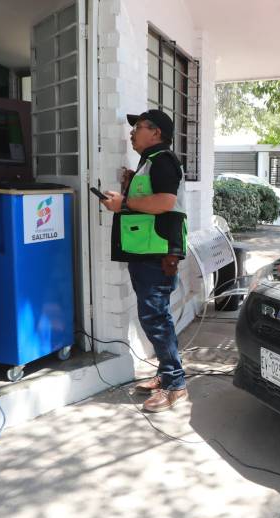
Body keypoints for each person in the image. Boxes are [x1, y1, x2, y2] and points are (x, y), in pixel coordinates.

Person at [98, 109, 189, 413]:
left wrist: (123, 203)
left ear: (156, 133)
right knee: (155, 317)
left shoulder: (162, 160)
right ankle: (167, 374)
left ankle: (175, 385)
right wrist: (128, 187)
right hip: (147, 252)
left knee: (155, 318)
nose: (132, 133)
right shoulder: (150, 162)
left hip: (157, 254)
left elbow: (165, 202)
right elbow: (151, 199)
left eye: (138, 127)